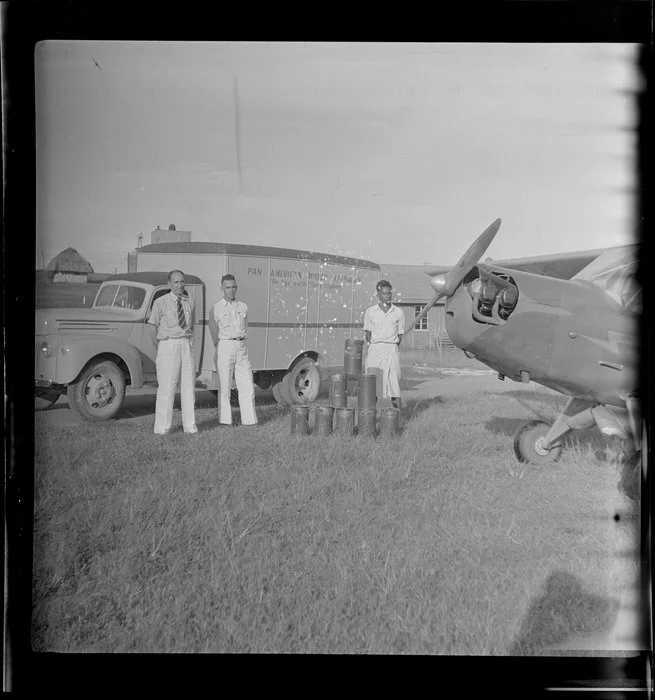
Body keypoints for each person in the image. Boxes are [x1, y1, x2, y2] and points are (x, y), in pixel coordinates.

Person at [148, 270, 198, 434]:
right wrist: (161, 346)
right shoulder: (160, 302)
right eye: (176, 282)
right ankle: (162, 428)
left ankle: (190, 427)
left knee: (189, 387)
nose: (180, 285)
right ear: (169, 284)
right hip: (168, 345)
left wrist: (188, 344)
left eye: (182, 282)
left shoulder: (189, 302)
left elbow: (192, 326)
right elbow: (152, 326)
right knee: (167, 388)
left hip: (186, 344)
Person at [212, 274, 258, 426]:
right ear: (222, 288)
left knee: (247, 385)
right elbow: (213, 331)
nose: (231, 290)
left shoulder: (243, 306)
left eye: (233, 287)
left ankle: (250, 420)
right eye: (227, 287)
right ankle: (225, 421)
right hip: (225, 346)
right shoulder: (216, 308)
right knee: (225, 386)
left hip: (241, 347)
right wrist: (218, 348)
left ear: (236, 288)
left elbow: (245, 326)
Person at [363, 279, 404, 409]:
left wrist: (392, 345)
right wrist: (374, 345)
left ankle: (397, 417)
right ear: (378, 295)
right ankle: (368, 417)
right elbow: (367, 333)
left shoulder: (398, 312)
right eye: (384, 293)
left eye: (389, 293)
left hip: (391, 349)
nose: (388, 296)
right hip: (375, 349)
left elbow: (400, 334)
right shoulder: (370, 311)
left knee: (394, 384)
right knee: (372, 383)